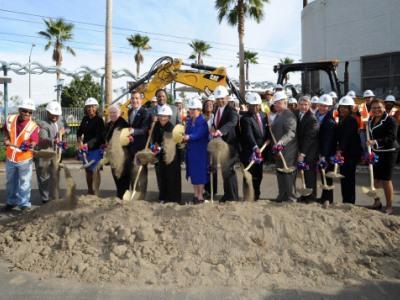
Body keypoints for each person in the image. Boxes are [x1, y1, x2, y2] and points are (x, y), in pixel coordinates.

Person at [2, 98, 39, 211]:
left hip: (25, 158)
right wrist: (6, 138)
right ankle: (11, 201)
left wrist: (31, 145)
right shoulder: (10, 119)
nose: (27, 114)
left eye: (30, 112)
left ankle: (24, 203)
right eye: (24, 111)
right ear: (19, 110)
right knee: (10, 181)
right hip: (11, 157)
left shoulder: (33, 126)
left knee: (24, 182)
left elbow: (34, 140)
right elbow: (5, 130)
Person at [367, 99, 399, 215]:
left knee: (386, 179)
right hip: (376, 152)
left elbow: (391, 138)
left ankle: (389, 206)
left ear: (384, 107)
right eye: (374, 108)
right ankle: (377, 202)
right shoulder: (370, 120)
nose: (376, 110)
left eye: (379, 107)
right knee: (374, 180)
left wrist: (375, 141)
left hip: (389, 152)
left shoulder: (391, 120)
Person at [211, 85, 239, 202]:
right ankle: (227, 195)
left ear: (227, 98)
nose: (220, 101)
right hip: (221, 146)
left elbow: (232, 122)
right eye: (218, 99)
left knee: (229, 171)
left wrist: (220, 131)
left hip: (230, 145)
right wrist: (213, 127)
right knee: (224, 170)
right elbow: (215, 123)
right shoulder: (217, 110)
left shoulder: (231, 110)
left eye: (222, 98)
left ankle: (232, 197)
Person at [239, 92, 269, 200]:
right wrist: (255, 147)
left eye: (257, 105)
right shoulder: (245, 118)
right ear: (248, 106)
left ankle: (256, 194)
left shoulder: (263, 115)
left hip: (261, 150)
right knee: (249, 175)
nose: (255, 107)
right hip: (250, 151)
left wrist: (268, 139)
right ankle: (248, 196)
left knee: (259, 175)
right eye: (253, 105)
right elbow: (248, 134)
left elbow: (266, 130)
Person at [35, 101, 66, 203]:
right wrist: (54, 140)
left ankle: (54, 197)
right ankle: (45, 199)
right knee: (44, 176)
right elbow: (43, 138)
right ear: (47, 112)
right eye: (52, 115)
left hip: (55, 153)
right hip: (44, 152)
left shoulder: (60, 119)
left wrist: (64, 130)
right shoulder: (43, 123)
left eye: (56, 115)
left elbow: (67, 127)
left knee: (55, 174)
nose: (55, 117)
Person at [270, 91, 298, 202]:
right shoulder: (278, 115)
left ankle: (291, 197)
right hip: (278, 150)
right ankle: (282, 195)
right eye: (275, 103)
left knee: (288, 174)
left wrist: (281, 142)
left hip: (288, 150)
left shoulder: (289, 115)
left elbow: (291, 133)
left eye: (278, 103)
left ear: (285, 102)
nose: (275, 105)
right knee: (280, 172)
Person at [152, 105, 182, 204]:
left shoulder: (170, 128)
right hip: (161, 156)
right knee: (162, 176)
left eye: (165, 116)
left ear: (169, 117)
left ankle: (173, 198)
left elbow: (168, 145)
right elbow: (154, 139)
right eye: (161, 116)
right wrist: (154, 147)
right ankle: (163, 197)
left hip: (171, 156)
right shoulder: (156, 125)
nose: (163, 118)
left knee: (171, 177)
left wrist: (159, 148)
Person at [183, 97, 209, 204]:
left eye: (194, 109)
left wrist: (188, 137)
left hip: (200, 152)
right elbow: (186, 133)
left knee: (200, 174)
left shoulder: (202, 122)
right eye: (191, 109)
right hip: (191, 152)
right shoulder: (189, 121)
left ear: (199, 110)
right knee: (193, 174)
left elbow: (199, 134)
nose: (192, 111)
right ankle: (195, 195)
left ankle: (200, 195)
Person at [336, 96, 362, 204]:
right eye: (341, 107)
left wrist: (340, 150)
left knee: (349, 179)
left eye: (345, 107)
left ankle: (350, 202)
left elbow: (346, 137)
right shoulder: (344, 119)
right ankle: (346, 200)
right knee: (344, 178)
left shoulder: (351, 120)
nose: (342, 109)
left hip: (350, 154)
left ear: (350, 108)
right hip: (346, 153)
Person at [77, 97, 105, 195]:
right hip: (86, 150)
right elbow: (79, 131)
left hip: (96, 149)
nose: (90, 109)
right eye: (88, 107)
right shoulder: (85, 119)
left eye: (92, 107)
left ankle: (96, 190)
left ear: (96, 108)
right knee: (88, 170)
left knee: (95, 170)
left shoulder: (99, 120)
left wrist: (87, 144)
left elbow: (99, 137)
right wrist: (79, 141)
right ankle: (90, 190)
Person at [127, 90, 152, 196]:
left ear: (141, 100)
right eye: (133, 98)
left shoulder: (145, 112)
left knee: (142, 171)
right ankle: (134, 191)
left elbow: (144, 129)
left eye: (137, 98)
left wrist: (133, 131)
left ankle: (142, 194)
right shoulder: (129, 112)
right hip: (131, 147)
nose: (135, 100)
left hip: (141, 147)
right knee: (132, 170)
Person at [296, 96, 319, 202]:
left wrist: (303, 154)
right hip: (302, 149)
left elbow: (309, 138)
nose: (303, 106)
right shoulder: (298, 114)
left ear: (309, 105)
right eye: (301, 104)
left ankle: (311, 197)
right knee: (304, 174)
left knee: (310, 175)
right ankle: (305, 195)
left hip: (309, 152)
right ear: (298, 105)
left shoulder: (312, 118)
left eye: (306, 105)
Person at [315, 94, 336, 204]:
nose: (323, 108)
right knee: (322, 175)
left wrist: (323, 155)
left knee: (327, 175)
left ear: (329, 107)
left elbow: (328, 141)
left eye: (326, 106)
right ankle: (324, 196)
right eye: (321, 105)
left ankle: (328, 198)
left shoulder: (330, 121)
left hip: (327, 152)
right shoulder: (317, 116)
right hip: (319, 149)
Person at [105, 105, 129, 199]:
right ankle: (120, 195)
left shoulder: (122, 123)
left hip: (121, 154)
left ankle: (123, 196)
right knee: (116, 176)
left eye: (115, 112)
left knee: (122, 176)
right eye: (111, 113)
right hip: (113, 154)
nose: (112, 114)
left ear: (119, 113)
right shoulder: (109, 124)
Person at [203, 94, 217, 198]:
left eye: (211, 104)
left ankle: (214, 191)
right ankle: (206, 189)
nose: (209, 106)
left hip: (214, 145)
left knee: (213, 167)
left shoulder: (215, 117)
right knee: (205, 168)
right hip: (203, 146)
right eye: (207, 104)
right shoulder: (201, 117)